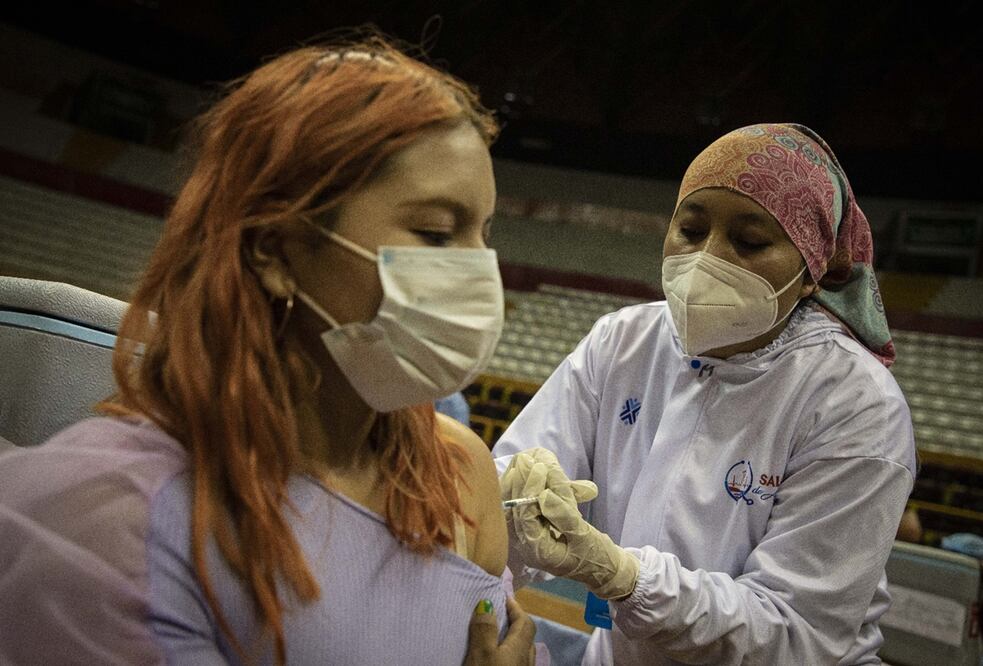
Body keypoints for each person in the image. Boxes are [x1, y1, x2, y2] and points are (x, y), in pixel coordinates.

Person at [0, 38, 535, 665]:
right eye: (437, 233)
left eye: (484, 233)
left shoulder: (458, 476)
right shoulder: (104, 517)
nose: (480, 271)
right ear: (274, 250)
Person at [494, 123, 916, 664]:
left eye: (750, 242)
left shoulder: (854, 403)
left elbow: (795, 632)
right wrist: (506, 518)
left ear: (812, 272)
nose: (708, 261)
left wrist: (626, 578)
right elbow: (509, 492)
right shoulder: (623, 340)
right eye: (690, 231)